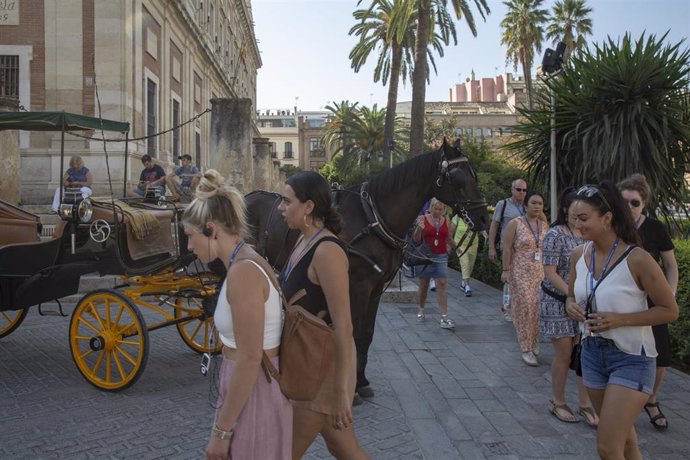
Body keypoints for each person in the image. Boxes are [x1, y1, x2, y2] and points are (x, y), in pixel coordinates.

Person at [181, 169, 292, 459]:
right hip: (254, 390)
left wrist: (221, 433)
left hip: (255, 393)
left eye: (190, 236)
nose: (190, 247)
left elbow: (250, 358)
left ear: (211, 229)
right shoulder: (246, 259)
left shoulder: (243, 271)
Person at [566, 182, 678, 459]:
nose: (577, 225)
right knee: (626, 442)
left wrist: (619, 319)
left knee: (607, 446)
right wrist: (572, 307)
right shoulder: (579, 255)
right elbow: (571, 296)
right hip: (592, 354)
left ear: (607, 218)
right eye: (573, 218)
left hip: (632, 358)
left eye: (583, 218)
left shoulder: (637, 259)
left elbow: (669, 310)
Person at [277, 171, 368, 460]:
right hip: (308, 365)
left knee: (281, 453)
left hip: (319, 374)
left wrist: (343, 391)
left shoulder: (327, 251)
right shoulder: (303, 241)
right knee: (344, 447)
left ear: (308, 207)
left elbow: (344, 325)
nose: (280, 207)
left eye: (286, 200)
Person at [618, 174, 679, 431]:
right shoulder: (613, 228)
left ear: (644, 204)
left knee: (661, 356)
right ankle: (622, 402)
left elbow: (671, 265)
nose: (630, 208)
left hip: (653, 303)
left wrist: (670, 295)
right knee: (623, 351)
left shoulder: (655, 229)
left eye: (635, 203)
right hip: (622, 303)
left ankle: (651, 400)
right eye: (625, 203)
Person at [540, 188, 598, 426]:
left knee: (582, 354)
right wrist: (571, 295)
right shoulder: (555, 235)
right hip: (557, 300)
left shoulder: (588, 236)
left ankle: (585, 404)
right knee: (564, 354)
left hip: (583, 303)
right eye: (574, 210)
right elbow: (550, 273)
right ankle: (558, 401)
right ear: (566, 209)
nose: (578, 216)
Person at [501, 191, 548, 367]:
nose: (537, 206)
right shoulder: (516, 224)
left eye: (540, 203)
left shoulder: (544, 226)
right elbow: (507, 248)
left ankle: (534, 340)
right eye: (534, 203)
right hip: (520, 272)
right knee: (525, 307)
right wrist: (506, 270)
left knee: (537, 308)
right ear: (525, 206)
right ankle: (525, 347)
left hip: (539, 273)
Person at [488, 179, 528, 321]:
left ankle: (520, 308)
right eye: (519, 189)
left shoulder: (528, 206)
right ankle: (507, 307)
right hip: (509, 248)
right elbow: (494, 225)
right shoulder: (503, 204)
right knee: (509, 277)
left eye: (524, 190)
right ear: (512, 189)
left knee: (523, 279)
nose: (521, 193)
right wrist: (491, 246)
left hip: (525, 250)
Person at [413, 198, 456, 329]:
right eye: (435, 209)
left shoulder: (446, 220)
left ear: (444, 210)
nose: (437, 212)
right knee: (424, 284)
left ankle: (444, 316)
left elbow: (448, 237)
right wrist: (419, 228)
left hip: (441, 255)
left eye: (440, 209)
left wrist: (456, 247)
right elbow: (416, 239)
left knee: (442, 283)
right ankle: (421, 308)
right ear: (431, 208)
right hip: (425, 255)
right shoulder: (422, 218)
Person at [450, 213, 484, 297]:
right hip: (460, 245)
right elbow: (450, 233)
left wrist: (484, 233)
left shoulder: (475, 216)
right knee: (465, 264)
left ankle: (463, 283)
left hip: (473, 244)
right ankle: (467, 286)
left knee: (470, 266)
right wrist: (453, 245)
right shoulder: (457, 217)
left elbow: (481, 227)